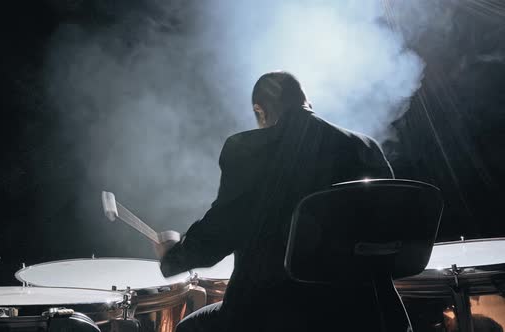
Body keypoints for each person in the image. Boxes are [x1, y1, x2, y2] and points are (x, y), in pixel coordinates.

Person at [156, 71, 394, 331]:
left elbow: (220, 234)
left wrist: (174, 255)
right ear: (307, 102)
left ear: (260, 111)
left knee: (188, 328)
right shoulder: (365, 146)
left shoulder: (245, 149)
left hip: (274, 313)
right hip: (363, 312)